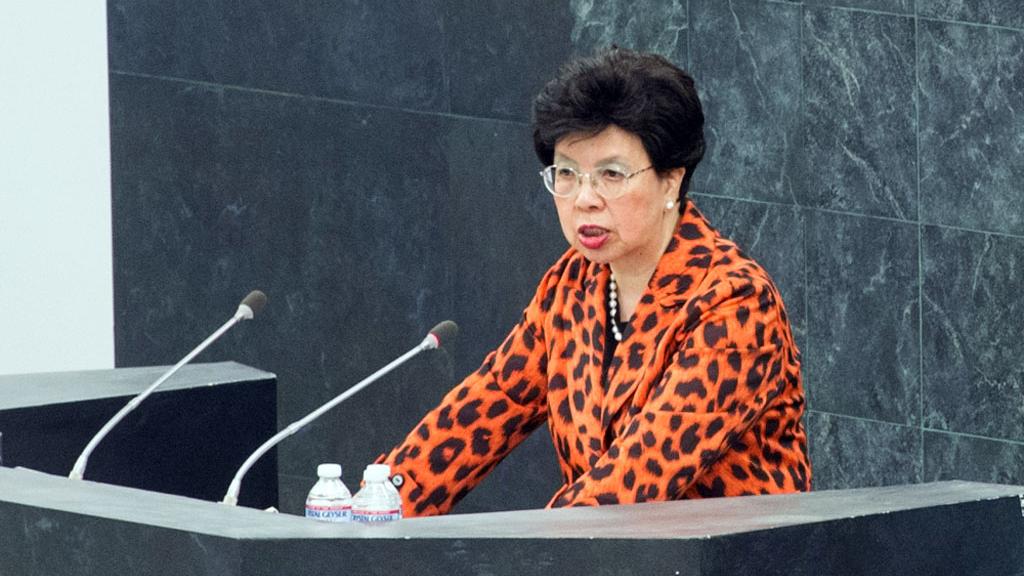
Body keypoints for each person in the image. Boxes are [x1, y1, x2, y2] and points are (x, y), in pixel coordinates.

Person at [378, 48, 811, 516]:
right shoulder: (572, 284)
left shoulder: (736, 302)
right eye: (567, 173)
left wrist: (526, 550)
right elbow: (480, 414)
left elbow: (632, 483)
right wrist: (371, 506)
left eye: (611, 174)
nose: (585, 198)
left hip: (728, 554)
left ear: (670, 181)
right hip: (600, 549)